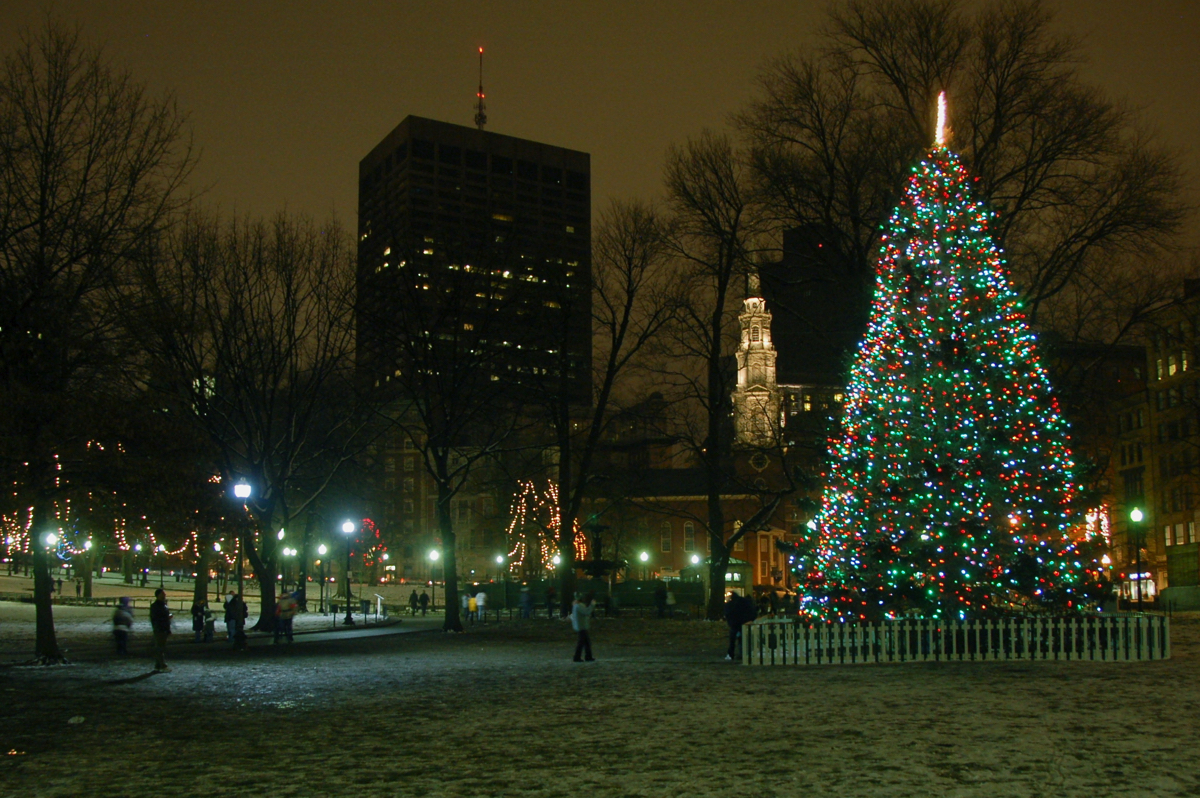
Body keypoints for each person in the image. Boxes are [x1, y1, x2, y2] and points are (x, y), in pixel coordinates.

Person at [724, 590, 757, 662]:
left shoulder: (730, 605)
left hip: (735, 623)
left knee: (733, 639)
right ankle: (742, 653)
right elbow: (752, 611)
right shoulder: (744, 602)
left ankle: (731, 654)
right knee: (742, 639)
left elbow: (728, 613)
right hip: (743, 622)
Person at [150, 589, 173, 672]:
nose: (164, 595)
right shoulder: (156, 606)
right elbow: (156, 618)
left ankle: (158, 665)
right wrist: (167, 617)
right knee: (160, 648)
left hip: (163, 628)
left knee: (161, 647)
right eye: (162, 594)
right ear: (158, 595)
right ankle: (162, 665)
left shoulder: (162, 605)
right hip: (160, 629)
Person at [571, 592, 596, 662]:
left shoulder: (576, 606)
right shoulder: (579, 606)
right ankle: (580, 657)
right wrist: (592, 605)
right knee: (583, 643)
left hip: (580, 626)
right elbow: (587, 612)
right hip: (582, 626)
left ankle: (586, 656)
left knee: (584, 642)